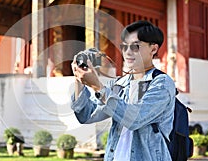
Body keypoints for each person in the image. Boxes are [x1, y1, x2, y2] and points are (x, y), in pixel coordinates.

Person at [71, 20, 175, 161]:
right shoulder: (120, 84)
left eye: (135, 46)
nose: (128, 52)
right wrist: (79, 79)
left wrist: (98, 87)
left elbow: (134, 119)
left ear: (153, 49)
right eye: (124, 47)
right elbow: (87, 115)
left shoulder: (161, 83)